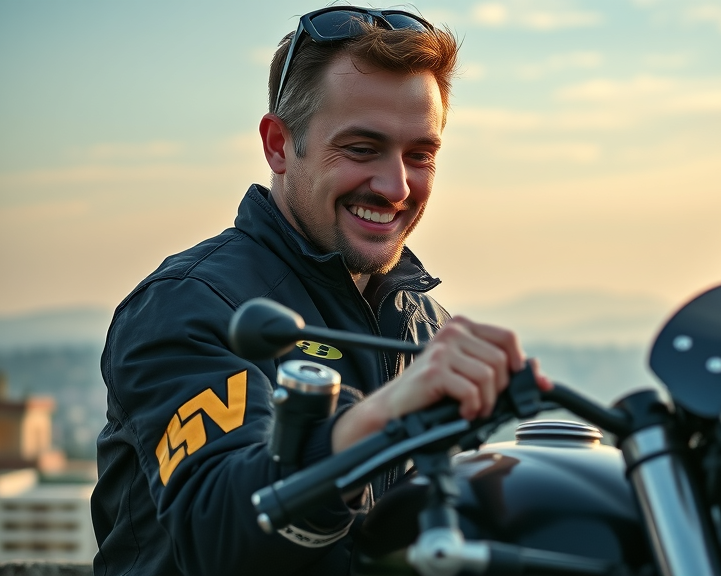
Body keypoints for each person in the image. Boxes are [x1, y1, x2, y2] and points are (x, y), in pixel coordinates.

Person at [90, 7, 548, 575]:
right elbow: (222, 533)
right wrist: (380, 416)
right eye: (361, 149)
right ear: (279, 146)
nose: (396, 186)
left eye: (420, 155)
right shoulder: (189, 305)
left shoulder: (423, 323)